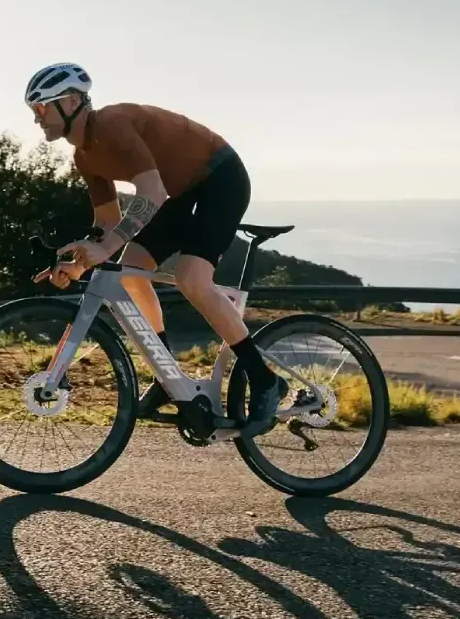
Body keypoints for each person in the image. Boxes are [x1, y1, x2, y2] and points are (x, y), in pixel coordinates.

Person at [24, 62, 288, 433]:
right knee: (131, 271)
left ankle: (265, 380)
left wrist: (106, 246)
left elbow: (151, 194)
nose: (36, 119)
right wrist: (81, 261)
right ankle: (168, 378)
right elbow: (107, 225)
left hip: (219, 177)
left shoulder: (112, 125)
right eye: (32, 110)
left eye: (41, 107)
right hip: (179, 193)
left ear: (70, 102)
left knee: (191, 279)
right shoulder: (84, 157)